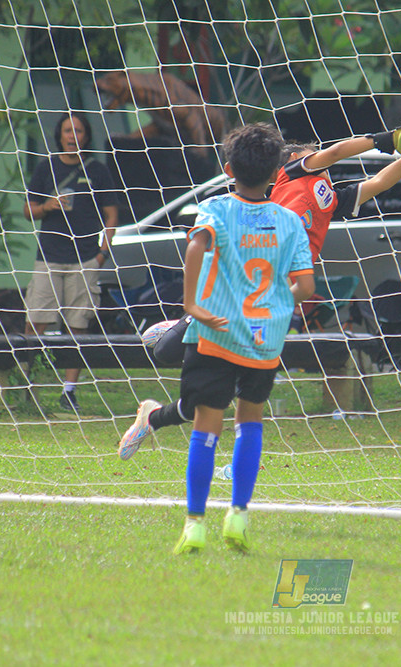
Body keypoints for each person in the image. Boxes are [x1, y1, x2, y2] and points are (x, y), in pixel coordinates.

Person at [130, 126, 401, 439]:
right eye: (313, 156)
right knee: (167, 353)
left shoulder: (331, 200)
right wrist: (385, 139)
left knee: (223, 396)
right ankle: (179, 328)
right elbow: (335, 152)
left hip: (275, 292)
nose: (323, 165)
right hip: (242, 285)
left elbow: (378, 183)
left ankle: (155, 418)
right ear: (293, 159)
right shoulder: (293, 172)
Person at [119, 122, 316, 554]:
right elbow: (305, 286)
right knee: (250, 420)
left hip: (216, 333)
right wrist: (277, 300)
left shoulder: (215, 208)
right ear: (275, 174)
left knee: (206, 424)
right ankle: (239, 516)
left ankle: (195, 524)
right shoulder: (290, 221)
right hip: (264, 339)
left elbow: (197, 246)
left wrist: (191, 305)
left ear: (228, 169)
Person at [24, 112, 119, 413]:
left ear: (86, 136)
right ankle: (25, 385)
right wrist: (47, 206)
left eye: (78, 130)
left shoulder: (98, 170)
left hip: (85, 259)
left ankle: (69, 391)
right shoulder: (46, 167)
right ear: (59, 135)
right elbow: (28, 210)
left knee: (78, 325)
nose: (73, 136)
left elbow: (112, 215)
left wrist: (102, 255)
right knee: (35, 321)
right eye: (68, 130)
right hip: (49, 257)